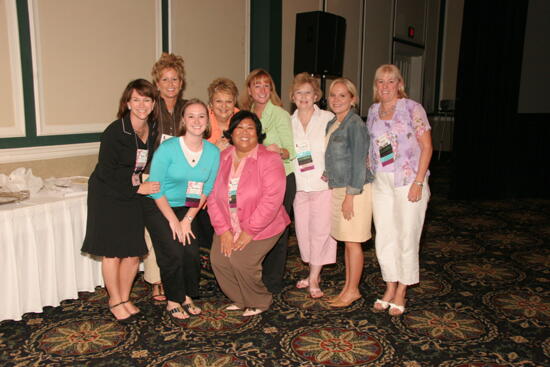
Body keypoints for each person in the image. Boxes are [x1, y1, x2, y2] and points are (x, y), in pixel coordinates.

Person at [82, 79, 160, 322]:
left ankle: (125, 297)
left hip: (132, 193)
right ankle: (114, 300)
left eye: (146, 99)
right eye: (136, 99)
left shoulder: (152, 128)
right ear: (127, 103)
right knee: (113, 252)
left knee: (133, 251)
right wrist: (138, 187)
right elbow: (108, 173)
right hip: (108, 195)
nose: (141, 105)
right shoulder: (116, 131)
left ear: (153, 103)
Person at [144, 99, 220, 320]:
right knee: (173, 251)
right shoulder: (168, 149)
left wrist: (187, 219)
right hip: (158, 205)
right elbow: (156, 188)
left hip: (187, 206)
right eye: (191, 116)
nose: (196, 121)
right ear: (183, 121)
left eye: (201, 116)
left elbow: (206, 188)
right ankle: (173, 299)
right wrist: (173, 221)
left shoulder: (213, 152)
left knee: (190, 251)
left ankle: (186, 295)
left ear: (207, 121)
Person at [208, 110, 290, 316]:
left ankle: (260, 301)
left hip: (264, 225)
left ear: (258, 133)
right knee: (219, 260)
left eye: (250, 128)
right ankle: (241, 299)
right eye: (239, 128)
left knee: (241, 261)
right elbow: (211, 194)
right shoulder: (221, 157)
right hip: (228, 222)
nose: (244, 132)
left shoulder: (270, 159)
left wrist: (248, 232)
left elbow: (272, 200)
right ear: (231, 133)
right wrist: (223, 230)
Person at [367, 64, 432, 316]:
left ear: (399, 84)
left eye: (390, 81)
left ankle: (402, 290)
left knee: (407, 235)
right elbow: (372, 149)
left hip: (408, 181)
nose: (385, 86)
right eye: (380, 81)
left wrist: (418, 182)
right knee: (384, 236)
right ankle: (389, 286)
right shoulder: (373, 110)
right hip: (380, 181)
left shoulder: (412, 108)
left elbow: (426, 147)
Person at [240, 69, 296, 293]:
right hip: (254, 182)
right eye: (257, 85)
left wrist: (277, 150)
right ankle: (256, 275)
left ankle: (272, 282)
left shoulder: (280, 114)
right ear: (250, 91)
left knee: (277, 230)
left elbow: (290, 151)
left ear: (271, 89)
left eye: (266, 85)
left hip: (281, 178)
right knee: (255, 226)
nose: (262, 90)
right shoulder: (246, 114)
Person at [324, 78, 374, 308]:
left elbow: (358, 162)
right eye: (333, 95)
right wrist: (329, 172)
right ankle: (348, 287)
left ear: (353, 99)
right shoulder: (333, 122)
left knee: (353, 241)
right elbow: (337, 155)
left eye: (342, 95)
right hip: (340, 187)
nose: (336, 100)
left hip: (356, 190)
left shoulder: (355, 124)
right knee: (346, 239)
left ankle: (352, 290)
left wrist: (350, 196)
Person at [144, 53, 188, 301]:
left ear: (181, 83)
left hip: (180, 177)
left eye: (175, 79)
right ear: (157, 83)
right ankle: (155, 279)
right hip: (154, 175)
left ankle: (175, 272)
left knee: (177, 224)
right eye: (165, 80)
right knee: (155, 229)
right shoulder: (150, 109)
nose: (170, 84)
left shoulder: (186, 108)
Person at [290, 73, 336, 298]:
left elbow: (338, 149)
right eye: (299, 92)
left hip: (322, 185)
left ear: (316, 95)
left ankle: (314, 278)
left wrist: (333, 172)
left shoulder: (328, 118)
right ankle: (311, 272)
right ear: (293, 96)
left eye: (308, 92)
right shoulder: (289, 122)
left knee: (320, 232)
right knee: (303, 232)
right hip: (299, 185)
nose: (304, 96)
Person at [207, 77, 240, 151]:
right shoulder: (201, 121)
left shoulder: (242, 120)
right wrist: (214, 150)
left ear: (234, 103)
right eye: (219, 101)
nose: (224, 106)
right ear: (211, 104)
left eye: (228, 101)